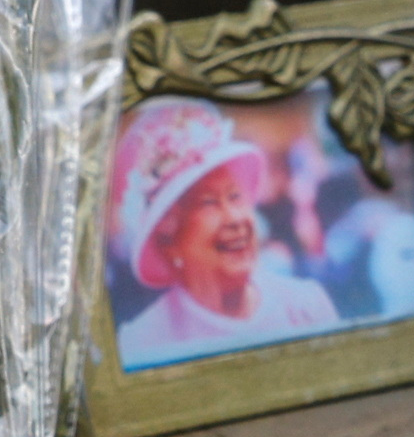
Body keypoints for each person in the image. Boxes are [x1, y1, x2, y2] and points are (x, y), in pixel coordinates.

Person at [107, 100, 343, 365]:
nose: (235, 219)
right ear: (168, 240)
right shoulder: (140, 343)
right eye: (208, 202)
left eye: (235, 196)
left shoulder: (305, 305)